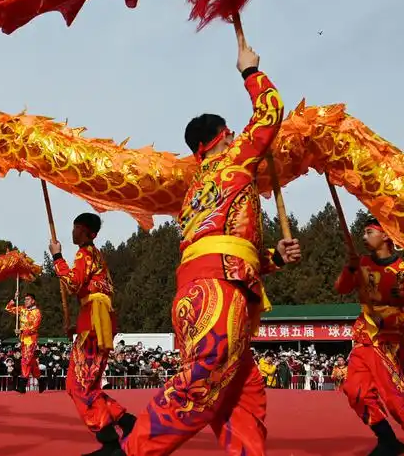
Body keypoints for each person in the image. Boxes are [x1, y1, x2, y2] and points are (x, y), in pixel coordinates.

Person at [117, 38, 302, 456]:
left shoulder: (194, 192)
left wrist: (272, 257)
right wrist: (250, 71)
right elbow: (270, 113)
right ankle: (134, 450)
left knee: (241, 395)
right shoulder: (234, 161)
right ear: (221, 137)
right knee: (198, 388)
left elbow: (225, 246)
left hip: (198, 292)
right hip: (219, 294)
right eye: (231, 132)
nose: (237, 135)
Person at [336, 217, 404, 456]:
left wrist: (388, 319)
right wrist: (350, 268)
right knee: (355, 391)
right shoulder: (361, 262)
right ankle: (387, 440)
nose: (363, 237)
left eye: (368, 232)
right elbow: (341, 288)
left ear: (385, 235)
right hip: (365, 338)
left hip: (390, 343)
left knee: (396, 399)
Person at [50, 213, 132, 456]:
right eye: (74, 227)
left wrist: (57, 257)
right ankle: (128, 424)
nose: (73, 232)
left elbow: (74, 284)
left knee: (78, 385)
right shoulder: (98, 256)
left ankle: (109, 443)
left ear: (90, 234)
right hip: (96, 320)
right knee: (90, 384)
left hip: (94, 322)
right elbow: (96, 291)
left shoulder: (85, 253)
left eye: (78, 229)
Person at [5, 293, 42, 393]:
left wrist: (21, 331)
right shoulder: (22, 309)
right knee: (31, 362)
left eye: (28, 299)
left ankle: (22, 386)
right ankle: (41, 380)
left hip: (31, 339)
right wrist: (14, 298)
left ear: (33, 301)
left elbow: (34, 328)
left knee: (25, 360)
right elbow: (8, 308)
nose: (25, 301)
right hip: (23, 340)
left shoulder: (37, 312)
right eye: (25, 299)